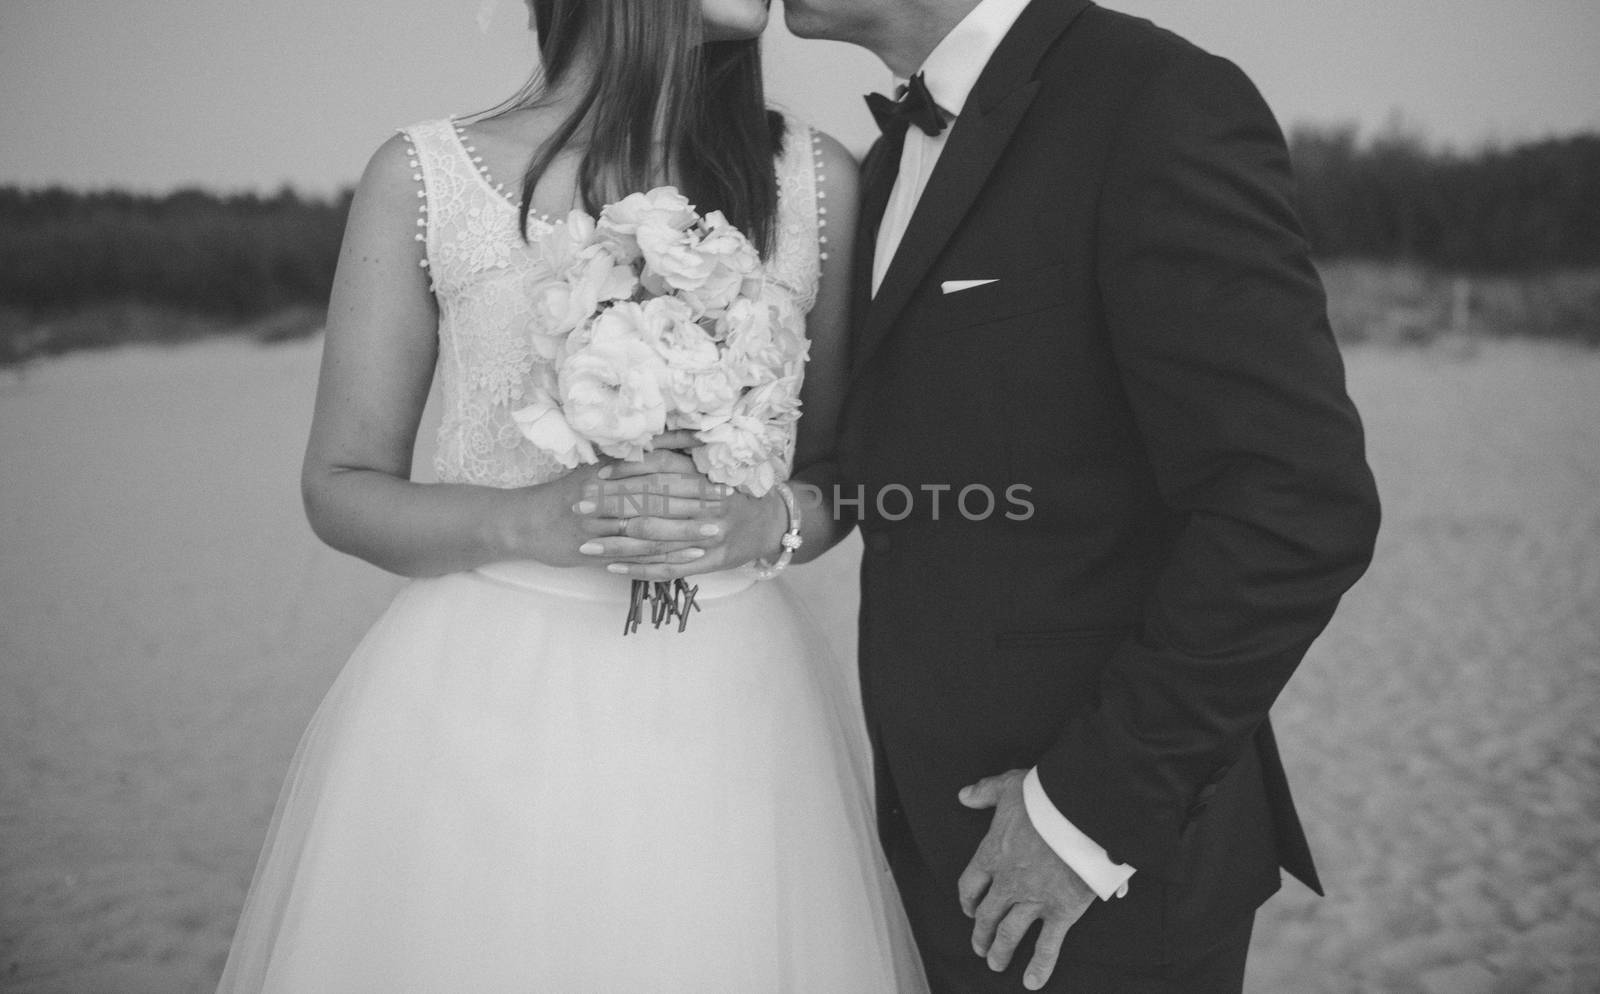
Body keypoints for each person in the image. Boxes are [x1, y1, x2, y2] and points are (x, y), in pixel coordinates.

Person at [215, 0, 927, 989]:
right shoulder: (424, 176)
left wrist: (767, 521)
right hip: (484, 701)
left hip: (733, 707)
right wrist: (526, 520)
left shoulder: (814, 180)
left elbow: (843, 479)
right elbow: (339, 488)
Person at [777, 0, 1383, 990]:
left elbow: (1295, 501)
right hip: (925, 842)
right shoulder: (882, 167)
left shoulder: (1155, 102)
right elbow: (911, 465)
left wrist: (1080, 818)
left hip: (1092, 870)